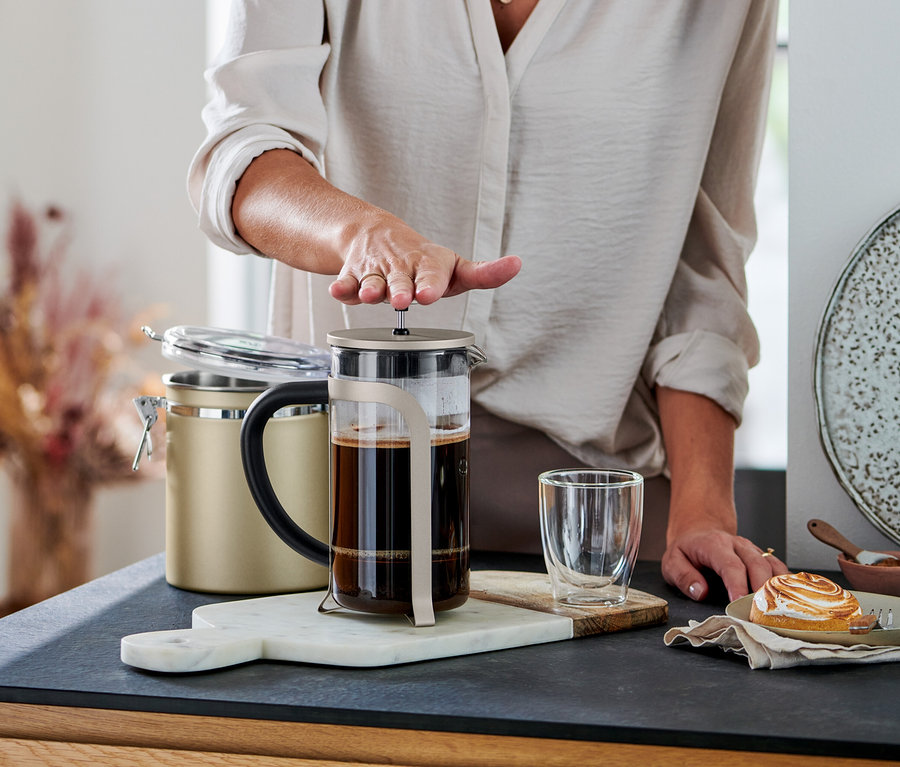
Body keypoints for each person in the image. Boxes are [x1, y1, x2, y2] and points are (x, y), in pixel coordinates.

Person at [188, 0, 789, 602]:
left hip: (593, 528)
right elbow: (242, 158)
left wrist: (704, 511)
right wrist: (356, 233)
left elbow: (703, 270)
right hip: (344, 500)